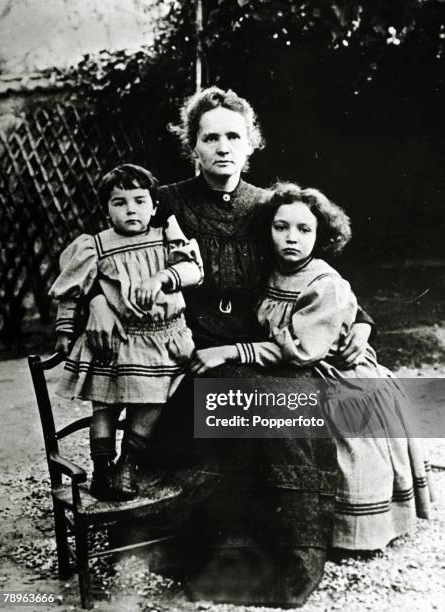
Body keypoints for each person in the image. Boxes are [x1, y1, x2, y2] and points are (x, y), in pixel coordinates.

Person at [85, 88, 373, 606]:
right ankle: (220, 559)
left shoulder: (269, 206)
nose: (222, 147)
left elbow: (317, 277)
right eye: (209, 136)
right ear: (191, 145)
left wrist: (364, 324)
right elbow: (110, 252)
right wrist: (101, 304)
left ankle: (291, 563)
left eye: (233, 136)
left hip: (264, 350)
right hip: (191, 356)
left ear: (252, 144)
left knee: (296, 412)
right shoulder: (164, 201)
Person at [192, 181, 432, 551]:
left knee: (345, 431)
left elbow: (302, 349)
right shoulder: (268, 271)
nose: (292, 237)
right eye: (281, 227)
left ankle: (351, 531)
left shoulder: (323, 282)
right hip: (295, 363)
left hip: (335, 367)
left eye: (304, 229)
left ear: (320, 235)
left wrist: (231, 351)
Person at [49, 164, 203, 501]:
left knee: (151, 404)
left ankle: (129, 463)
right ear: (106, 209)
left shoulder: (166, 236)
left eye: (139, 200)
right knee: (103, 407)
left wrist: (163, 278)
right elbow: (72, 288)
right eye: (119, 202)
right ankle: (102, 467)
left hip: (161, 339)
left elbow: (192, 269)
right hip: (114, 341)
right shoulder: (96, 245)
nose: (131, 209)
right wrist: (64, 328)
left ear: (154, 205)